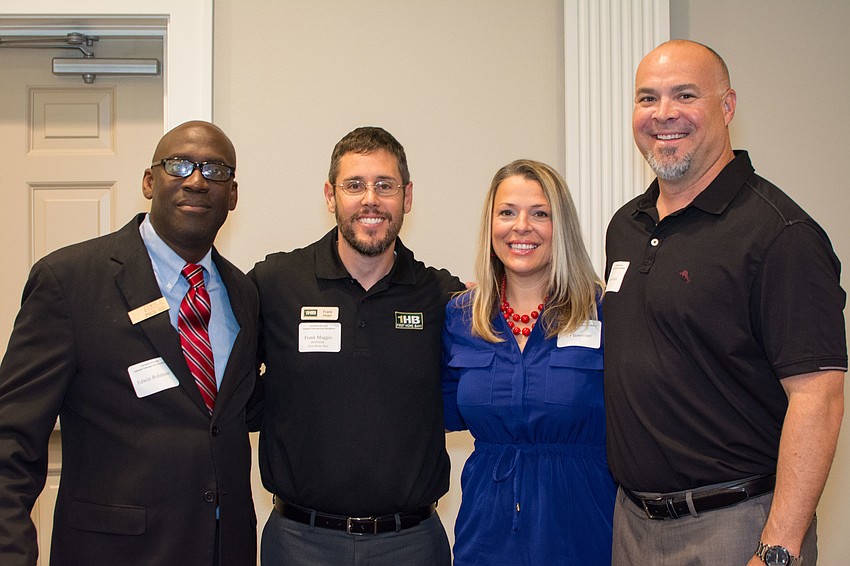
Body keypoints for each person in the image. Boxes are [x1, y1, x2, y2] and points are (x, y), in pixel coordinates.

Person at [603, 40, 846, 566]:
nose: (663, 114)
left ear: (727, 106)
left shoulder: (781, 235)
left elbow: (818, 401)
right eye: (647, 99)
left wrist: (777, 549)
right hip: (632, 526)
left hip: (737, 527)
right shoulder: (625, 227)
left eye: (684, 95)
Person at [0, 121, 261, 566]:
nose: (196, 181)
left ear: (233, 194)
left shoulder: (245, 294)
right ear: (149, 181)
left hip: (225, 550)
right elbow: (11, 443)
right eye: (178, 165)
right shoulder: (70, 281)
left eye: (215, 171)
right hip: (112, 552)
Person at [250, 126, 465, 565]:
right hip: (298, 542)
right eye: (355, 185)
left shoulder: (441, 296)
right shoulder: (275, 284)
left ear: (407, 198)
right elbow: (223, 383)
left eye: (385, 186)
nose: (371, 199)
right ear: (331, 196)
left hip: (412, 544)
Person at [442, 159, 615, 565]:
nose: (522, 226)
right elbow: (440, 410)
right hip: (486, 535)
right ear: (491, 226)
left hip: (582, 529)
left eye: (540, 213)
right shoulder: (460, 317)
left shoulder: (606, 312)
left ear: (563, 228)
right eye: (507, 213)